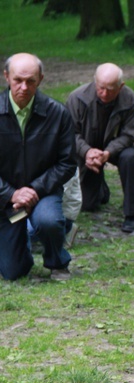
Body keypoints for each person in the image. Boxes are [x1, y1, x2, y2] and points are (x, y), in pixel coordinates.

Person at [0, 53, 76, 281]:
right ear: (6, 77)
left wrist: (34, 190)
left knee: (48, 220)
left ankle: (57, 263)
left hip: (42, 193)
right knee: (12, 271)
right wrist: (11, 193)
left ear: (41, 79)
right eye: (18, 80)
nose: (24, 87)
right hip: (5, 199)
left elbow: (67, 162)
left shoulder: (58, 114)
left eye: (31, 81)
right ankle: (22, 240)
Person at [66, 63, 134, 233]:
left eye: (110, 89)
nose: (105, 93)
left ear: (121, 86)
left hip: (115, 148)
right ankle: (101, 188)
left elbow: (129, 134)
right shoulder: (77, 98)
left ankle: (132, 216)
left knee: (130, 158)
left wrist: (108, 153)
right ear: (94, 82)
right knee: (87, 204)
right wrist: (87, 151)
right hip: (86, 149)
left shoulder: (130, 100)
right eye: (101, 88)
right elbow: (70, 134)